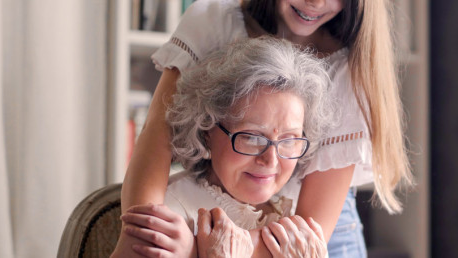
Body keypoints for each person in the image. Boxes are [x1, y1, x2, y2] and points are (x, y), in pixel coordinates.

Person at [117, 0, 413, 257]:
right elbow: (158, 133)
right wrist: (149, 231)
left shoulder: (349, 70)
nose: (314, 2)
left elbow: (306, 236)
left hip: (312, 227)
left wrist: (196, 249)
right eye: (251, 137)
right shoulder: (214, 21)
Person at [115, 37, 333, 257]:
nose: (271, 160)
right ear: (207, 129)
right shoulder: (167, 217)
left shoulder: (298, 218)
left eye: (289, 140)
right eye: (252, 137)